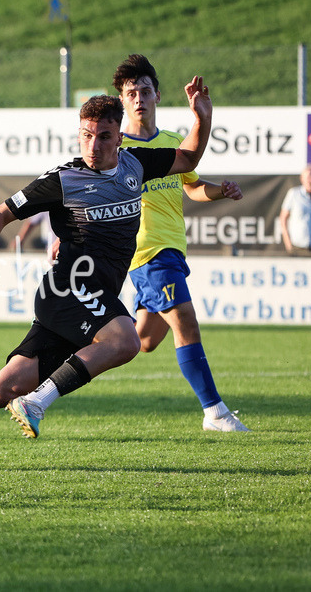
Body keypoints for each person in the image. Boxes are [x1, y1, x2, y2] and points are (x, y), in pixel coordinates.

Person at [0, 82, 212, 469]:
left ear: (119, 138)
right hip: (69, 288)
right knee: (125, 341)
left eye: (103, 137)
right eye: (86, 136)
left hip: (84, 299)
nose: (93, 145)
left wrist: (202, 118)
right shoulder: (63, 180)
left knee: (2, 387)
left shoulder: (137, 164)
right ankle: (37, 401)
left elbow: (188, 158)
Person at [114, 54, 249, 432]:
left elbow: (191, 188)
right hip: (148, 253)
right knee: (186, 321)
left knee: (142, 341)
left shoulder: (174, 142)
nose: (138, 98)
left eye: (144, 90)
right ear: (123, 102)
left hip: (172, 250)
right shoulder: (117, 149)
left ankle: (85, 347)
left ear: (157, 95)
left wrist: (219, 191)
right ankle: (215, 412)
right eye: (130, 93)